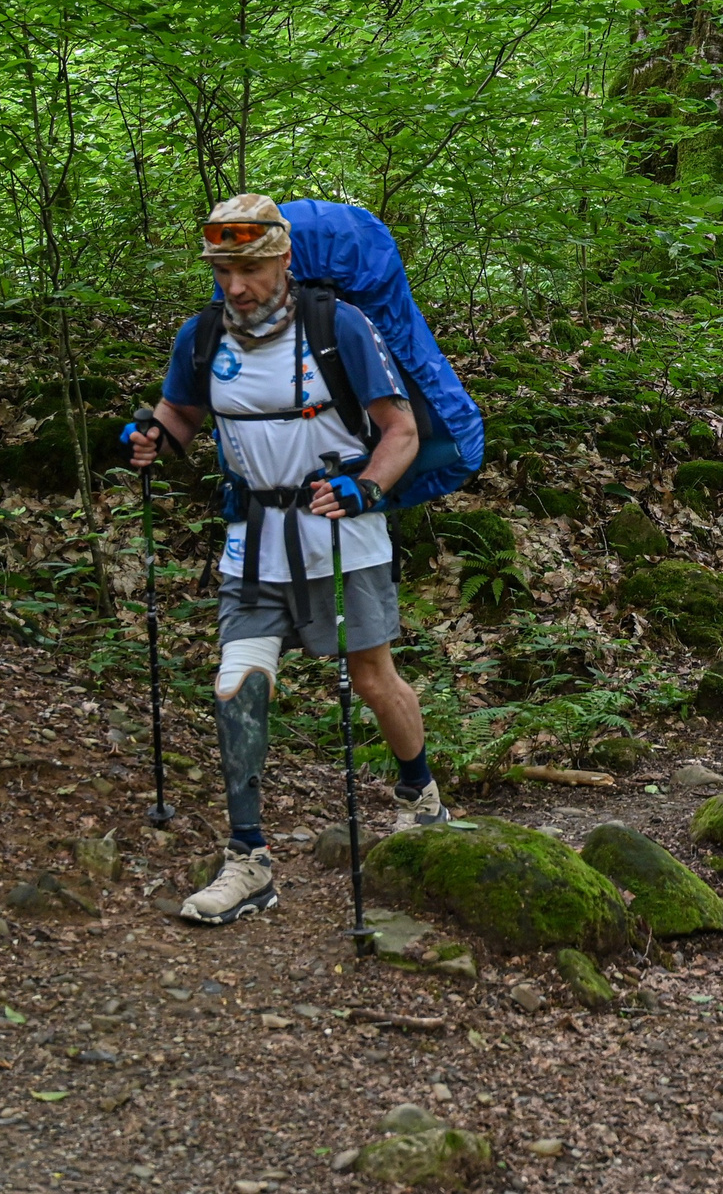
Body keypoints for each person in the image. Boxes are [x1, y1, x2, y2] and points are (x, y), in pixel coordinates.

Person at [125, 194, 449, 928]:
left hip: (341, 534)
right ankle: (249, 859)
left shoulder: (341, 328)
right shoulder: (202, 336)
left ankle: (418, 794)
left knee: (372, 675)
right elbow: (179, 415)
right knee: (237, 683)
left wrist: (366, 488)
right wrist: (151, 437)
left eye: (249, 267)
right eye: (222, 269)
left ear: (283, 259)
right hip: (255, 540)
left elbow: (398, 431)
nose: (235, 285)